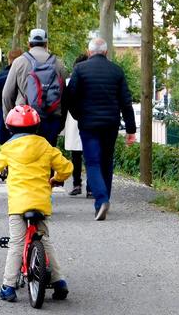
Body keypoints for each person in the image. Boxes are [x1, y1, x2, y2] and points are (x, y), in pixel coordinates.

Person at [0, 105, 73, 302]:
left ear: (10, 129)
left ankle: (8, 286)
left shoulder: (8, 148)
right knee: (45, 240)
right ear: (37, 127)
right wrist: (56, 179)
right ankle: (59, 282)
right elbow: (66, 168)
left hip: (18, 205)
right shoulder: (46, 146)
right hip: (41, 202)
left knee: (16, 242)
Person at [66, 38, 136, 221]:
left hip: (88, 124)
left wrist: (78, 115)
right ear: (106, 52)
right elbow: (126, 102)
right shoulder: (116, 71)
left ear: (89, 52)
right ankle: (104, 201)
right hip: (110, 124)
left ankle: (101, 199)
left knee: (93, 163)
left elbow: (70, 98)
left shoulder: (80, 70)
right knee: (106, 161)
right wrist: (131, 129)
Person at [2, 28, 67, 147]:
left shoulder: (19, 62)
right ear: (46, 43)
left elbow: (7, 94)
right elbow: (65, 96)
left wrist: (10, 119)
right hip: (51, 119)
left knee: (25, 159)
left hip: (24, 120)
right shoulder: (58, 64)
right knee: (47, 157)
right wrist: (60, 122)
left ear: (28, 43)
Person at [64, 54, 89, 197]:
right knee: (89, 155)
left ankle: (76, 184)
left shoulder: (69, 81)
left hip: (73, 120)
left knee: (76, 155)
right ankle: (89, 187)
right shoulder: (91, 79)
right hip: (85, 119)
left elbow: (65, 102)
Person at [0, 48, 23, 145]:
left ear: (9, 59)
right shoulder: (26, 75)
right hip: (22, 119)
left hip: (3, 118)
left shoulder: (1, 76)